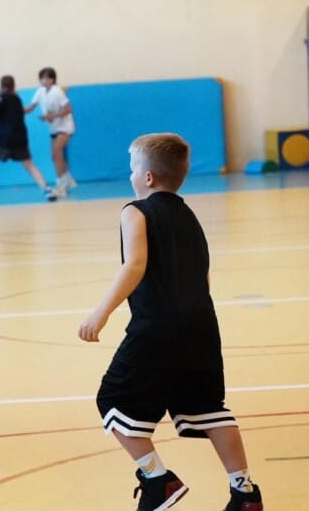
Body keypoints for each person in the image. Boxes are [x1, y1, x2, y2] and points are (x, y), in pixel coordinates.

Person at [77, 133, 263, 511]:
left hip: (156, 328)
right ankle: (244, 492)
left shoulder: (135, 211)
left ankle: (156, 479)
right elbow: (203, 274)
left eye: (133, 168)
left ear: (147, 178)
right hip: (201, 326)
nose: (130, 175)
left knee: (112, 399)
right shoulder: (189, 216)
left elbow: (135, 265)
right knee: (208, 408)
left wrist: (101, 312)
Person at [0, 75, 57, 205]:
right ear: (14, 86)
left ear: (1, 87)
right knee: (29, 165)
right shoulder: (17, 99)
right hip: (21, 137)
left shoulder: (2, 98)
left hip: (6, 139)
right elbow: (3, 110)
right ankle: (47, 190)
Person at [24, 67, 76, 198]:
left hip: (65, 127)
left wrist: (52, 116)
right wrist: (16, 111)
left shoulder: (57, 91)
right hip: (53, 128)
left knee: (56, 151)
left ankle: (61, 185)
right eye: (41, 78)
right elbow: (31, 107)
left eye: (46, 78)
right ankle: (67, 178)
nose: (43, 80)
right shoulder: (40, 91)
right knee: (54, 156)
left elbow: (68, 109)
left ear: (52, 79)